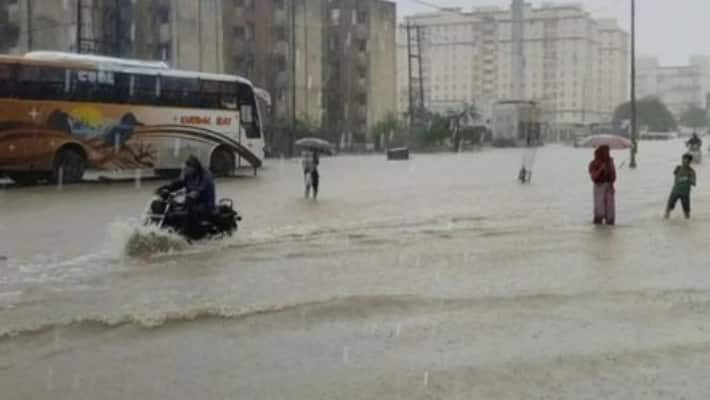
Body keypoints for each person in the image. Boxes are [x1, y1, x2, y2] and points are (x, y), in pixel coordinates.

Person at [159, 155, 216, 238]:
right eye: (185, 168)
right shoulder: (189, 174)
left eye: (187, 168)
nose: (185, 171)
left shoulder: (206, 175)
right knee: (171, 210)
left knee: (187, 213)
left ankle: (186, 236)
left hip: (205, 204)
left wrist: (194, 193)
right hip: (191, 202)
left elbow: (200, 189)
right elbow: (179, 183)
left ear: (193, 167)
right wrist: (166, 188)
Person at [588, 145, 616, 225]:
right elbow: (594, 177)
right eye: (605, 152)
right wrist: (601, 169)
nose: (607, 154)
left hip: (609, 188)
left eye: (608, 152)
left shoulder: (610, 162)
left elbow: (614, 177)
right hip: (599, 187)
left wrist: (611, 166)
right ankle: (598, 230)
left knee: (610, 214)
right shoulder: (593, 164)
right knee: (599, 212)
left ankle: (608, 232)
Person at [665, 153, 696, 219]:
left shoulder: (691, 171)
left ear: (690, 162)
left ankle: (687, 226)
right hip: (675, 191)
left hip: (685, 193)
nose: (684, 161)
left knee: (686, 212)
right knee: (668, 208)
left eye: (686, 160)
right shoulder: (678, 168)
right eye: (683, 159)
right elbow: (675, 177)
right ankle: (666, 219)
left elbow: (694, 183)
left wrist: (687, 179)